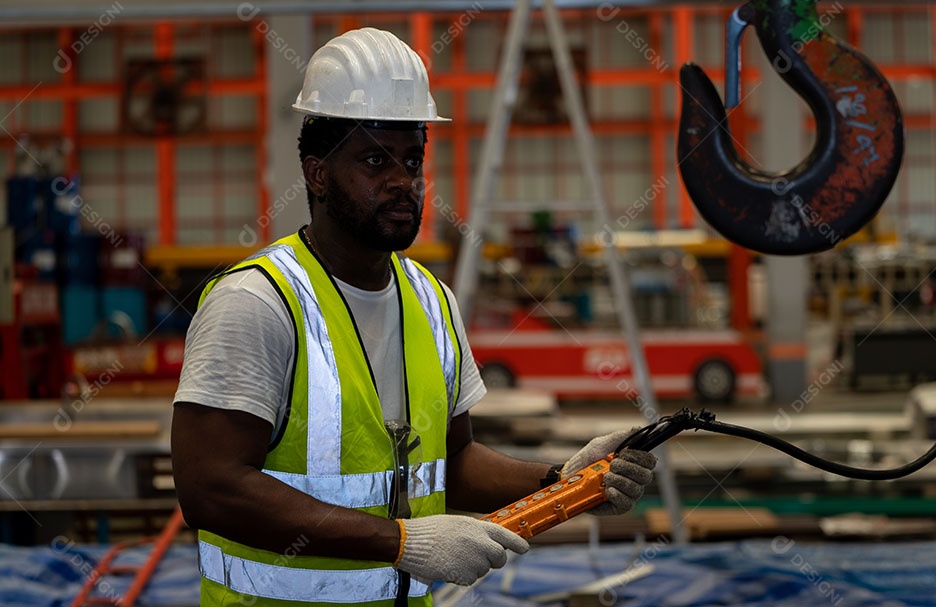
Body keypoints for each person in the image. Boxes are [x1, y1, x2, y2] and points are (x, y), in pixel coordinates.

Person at [171, 28, 657, 607]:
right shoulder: (258, 303)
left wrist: (563, 481)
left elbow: (455, 463)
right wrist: (401, 541)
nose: (402, 181)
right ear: (318, 174)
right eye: (375, 160)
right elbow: (211, 488)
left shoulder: (432, 300)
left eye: (412, 160)